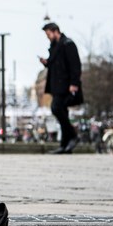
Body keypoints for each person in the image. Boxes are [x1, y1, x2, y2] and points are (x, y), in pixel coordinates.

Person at [39, 22, 83, 154]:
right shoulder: (55, 47)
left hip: (66, 85)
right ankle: (65, 145)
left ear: (55, 31)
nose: (47, 37)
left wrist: (74, 84)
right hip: (57, 86)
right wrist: (46, 63)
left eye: (48, 34)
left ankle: (73, 136)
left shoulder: (68, 44)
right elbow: (55, 65)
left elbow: (75, 65)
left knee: (56, 108)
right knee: (62, 111)